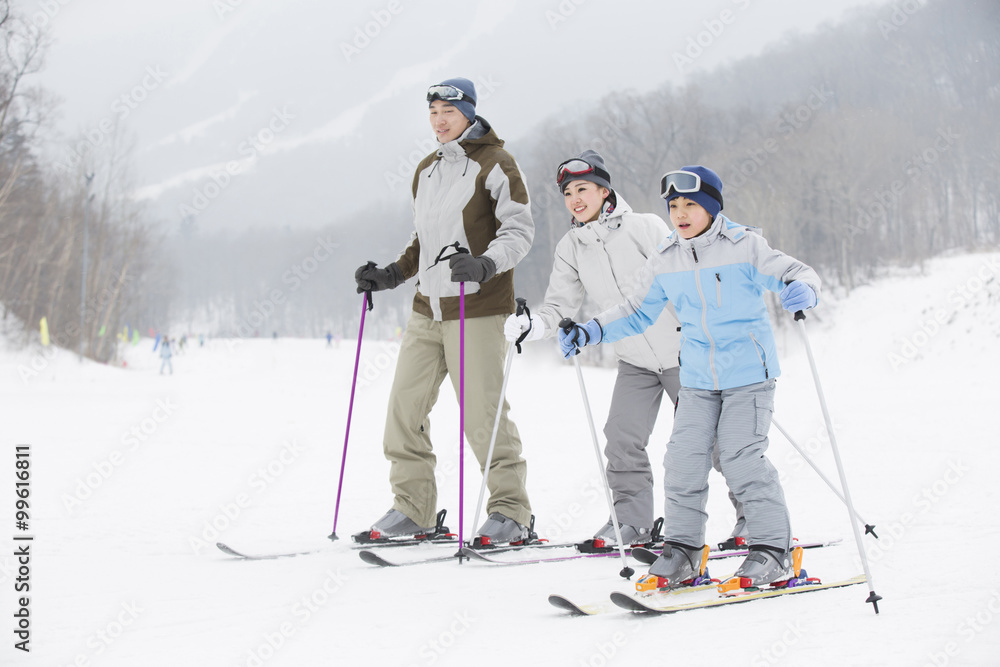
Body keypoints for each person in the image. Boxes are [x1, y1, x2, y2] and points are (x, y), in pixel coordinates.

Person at [560, 165, 821, 586]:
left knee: (739, 457)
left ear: (712, 208)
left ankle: (773, 549)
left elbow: (796, 272)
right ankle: (683, 551)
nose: (680, 213)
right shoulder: (667, 257)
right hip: (698, 378)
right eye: (674, 205)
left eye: (690, 205)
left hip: (749, 376)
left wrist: (804, 289)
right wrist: (591, 330)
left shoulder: (744, 246)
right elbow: (636, 309)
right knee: (682, 462)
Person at [505, 150, 745, 549]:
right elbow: (560, 305)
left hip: (685, 354)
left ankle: (752, 517)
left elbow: (688, 266)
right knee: (621, 439)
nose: (575, 199)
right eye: (568, 193)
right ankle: (633, 524)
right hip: (634, 360)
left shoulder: (644, 227)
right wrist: (534, 326)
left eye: (583, 189)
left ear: (604, 190)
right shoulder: (571, 246)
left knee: (717, 441)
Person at [354, 77, 534, 544]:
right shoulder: (426, 169)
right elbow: (424, 242)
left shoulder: (497, 164)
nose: (439, 121)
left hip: (477, 308)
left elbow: (519, 232)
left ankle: (511, 513)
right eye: (433, 112)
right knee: (403, 411)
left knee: (482, 415)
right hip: (426, 311)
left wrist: (484, 264)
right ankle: (414, 510)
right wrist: (392, 274)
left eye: (448, 112)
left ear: (469, 113)